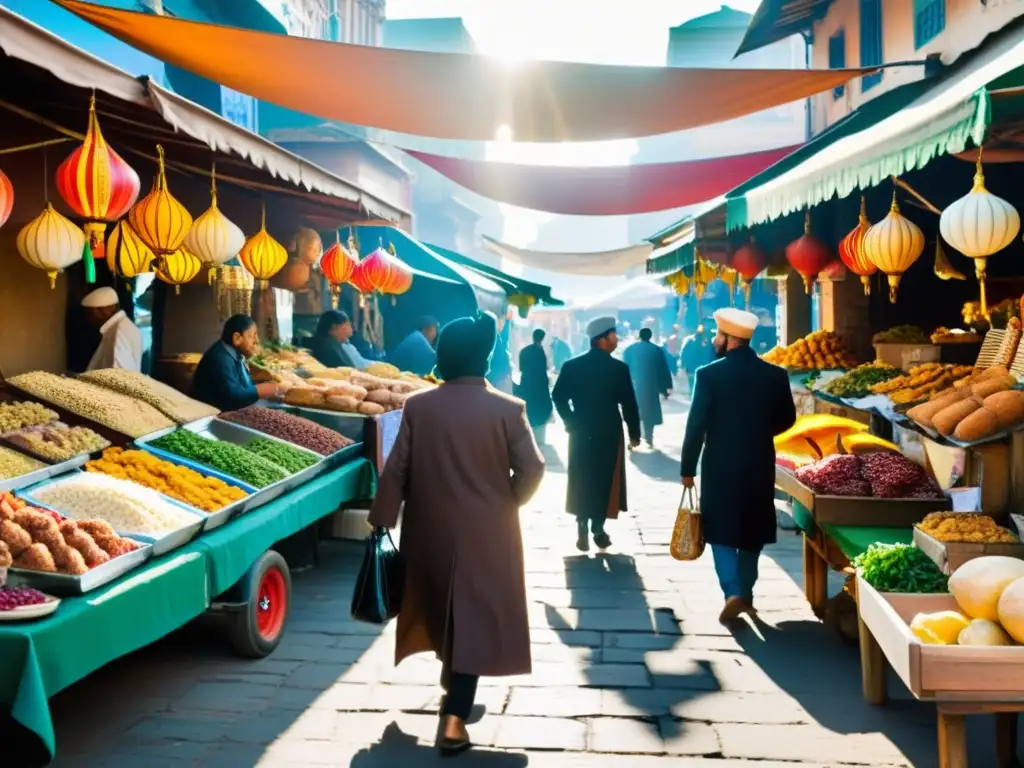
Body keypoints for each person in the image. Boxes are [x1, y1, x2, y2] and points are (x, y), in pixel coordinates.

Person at [368, 312, 545, 757]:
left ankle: (454, 694)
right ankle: (452, 721)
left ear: (444, 357)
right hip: (489, 533)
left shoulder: (420, 406)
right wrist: (509, 500)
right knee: (476, 617)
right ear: (483, 360)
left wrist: (382, 518)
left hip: (429, 530)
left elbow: (397, 468)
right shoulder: (507, 409)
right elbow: (534, 468)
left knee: (446, 612)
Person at [680, 308, 797, 622]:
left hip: (720, 463)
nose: (716, 340)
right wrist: (758, 432)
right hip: (759, 461)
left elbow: (696, 426)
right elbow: (787, 419)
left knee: (719, 530)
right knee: (752, 530)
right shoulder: (776, 375)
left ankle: (732, 591)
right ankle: (745, 591)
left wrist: (687, 468)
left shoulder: (708, 374)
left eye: (719, 335)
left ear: (730, 338)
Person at [552, 316, 641, 553]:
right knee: (604, 479)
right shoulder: (618, 369)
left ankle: (581, 523)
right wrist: (634, 433)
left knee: (581, 475)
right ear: (602, 338)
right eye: (613, 334)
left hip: (580, 431)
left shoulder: (572, 365)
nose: (616, 339)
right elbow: (629, 404)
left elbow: (558, 396)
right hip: (608, 431)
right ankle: (597, 529)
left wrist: (570, 421)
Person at [192, 314, 279, 411]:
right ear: (237, 338)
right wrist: (262, 390)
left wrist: (266, 387)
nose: (257, 340)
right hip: (211, 415)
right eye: (253, 336)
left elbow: (244, 386)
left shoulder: (235, 354)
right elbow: (232, 397)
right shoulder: (220, 358)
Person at [623, 327, 673, 448]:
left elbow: (624, 369)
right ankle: (649, 437)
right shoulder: (657, 350)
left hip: (634, 387)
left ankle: (633, 437)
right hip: (651, 387)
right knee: (649, 413)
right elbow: (663, 370)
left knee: (634, 413)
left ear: (639, 335)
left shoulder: (629, 349)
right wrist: (666, 387)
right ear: (650, 336)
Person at [81, 287, 143, 372]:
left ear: (103, 310)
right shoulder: (121, 327)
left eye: (90, 313)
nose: (88, 318)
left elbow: (119, 375)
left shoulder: (118, 332)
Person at [517, 328, 554, 444]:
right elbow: (544, 369)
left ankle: (528, 436)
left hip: (527, 384)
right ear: (542, 338)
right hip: (539, 385)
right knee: (539, 409)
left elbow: (521, 368)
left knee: (528, 409)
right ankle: (538, 438)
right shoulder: (540, 351)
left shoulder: (524, 351)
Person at [681, 325, 713, 395]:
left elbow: (684, 353)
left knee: (692, 382)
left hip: (691, 367)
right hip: (703, 367)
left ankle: (692, 394)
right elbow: (711, 355)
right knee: (701, 382)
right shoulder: (708, 343)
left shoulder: (690, 341)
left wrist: (683, 364)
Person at [487, 317, 514, 393]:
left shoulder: (491, 336)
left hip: (494, 372)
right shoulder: (495, 336)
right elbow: (505, 339)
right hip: (498, 373)